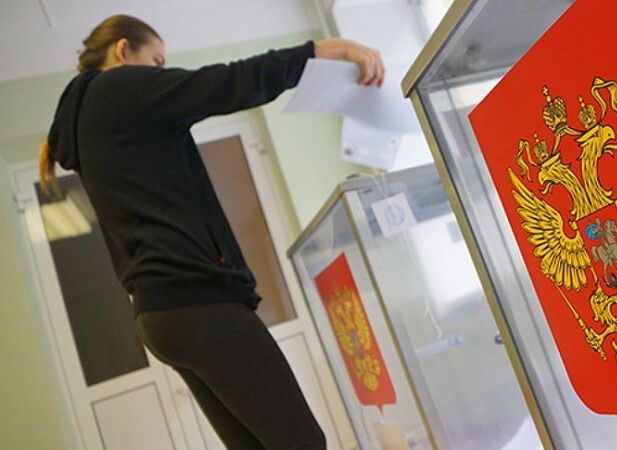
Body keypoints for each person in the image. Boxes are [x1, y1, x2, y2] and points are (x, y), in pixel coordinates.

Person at [37, 14, 385, 449]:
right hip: (196, 300)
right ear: (123, 51)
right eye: (157, 62)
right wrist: (321, 51)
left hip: (158, 315)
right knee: (302, 442)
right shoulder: (118, 89)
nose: (161, 75)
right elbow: (228, 82)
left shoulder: (88, 122)